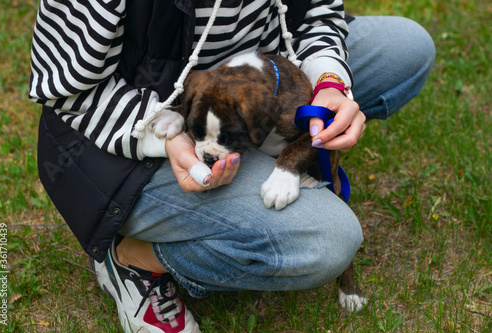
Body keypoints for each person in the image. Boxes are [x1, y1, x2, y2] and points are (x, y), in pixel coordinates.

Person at [29, 0, 435, 332]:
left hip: (258, 80)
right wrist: (164, 131)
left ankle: (258, 146)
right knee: (327, 240)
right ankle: (134, 259)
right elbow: (66, 90)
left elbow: (317, 12)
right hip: (119, 132)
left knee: (407, 48)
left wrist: (329, 81)